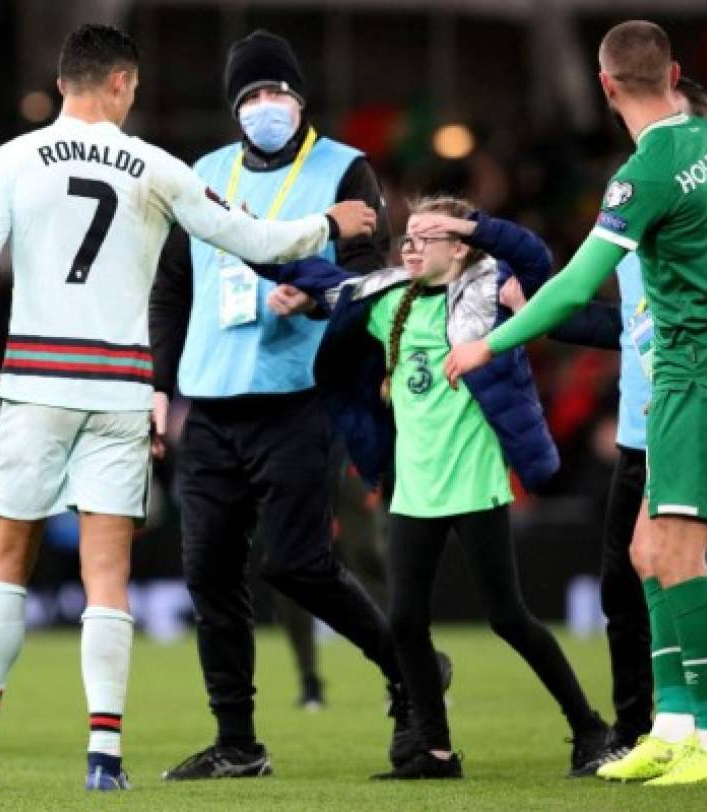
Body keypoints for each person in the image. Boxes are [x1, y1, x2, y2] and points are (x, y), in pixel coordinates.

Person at [0, 24, 376, 793]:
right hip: (121, 389)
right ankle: (104, 760)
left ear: (63, 83)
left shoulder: (12, 159)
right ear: (125, 85)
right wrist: (329, 224)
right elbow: (252, 239)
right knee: (108, 575)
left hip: (35, 379)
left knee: (5, 566)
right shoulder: (156, 166)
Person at [443, 20, 707, 785]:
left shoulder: (644, 173)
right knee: (648, 552)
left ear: (607, 87)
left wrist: (488, 344)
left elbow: (575, 287)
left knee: (678, 555)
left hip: (702, 368)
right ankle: (671, 727)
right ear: (673, 73)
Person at [149, 29, 428, 781]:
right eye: (254, 95)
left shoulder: (344, 169)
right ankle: (237, 743)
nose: (268, 106)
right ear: (234, 106)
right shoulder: (201, 173)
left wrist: (311, 299)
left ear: (302, 102)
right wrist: (158, 385)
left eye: (281, 93)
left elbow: (372, 275)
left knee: (298, 564)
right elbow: (174, 283)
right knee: (209, 573)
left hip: (299, 394)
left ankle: (410, 667)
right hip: (210, 400)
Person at [252, 197, 610, 779]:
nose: (410, 246)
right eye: (408, 237)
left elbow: (534, 255)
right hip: (414, 493)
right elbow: (308, 272)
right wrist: (237, 233)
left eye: (428, 236)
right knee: (405, 622)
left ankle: (591, 730)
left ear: (461, 244)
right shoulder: (388, 295)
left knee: (509, 618)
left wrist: (475, 225)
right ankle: (436, 752)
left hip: (474, 486)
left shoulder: (497, 296)